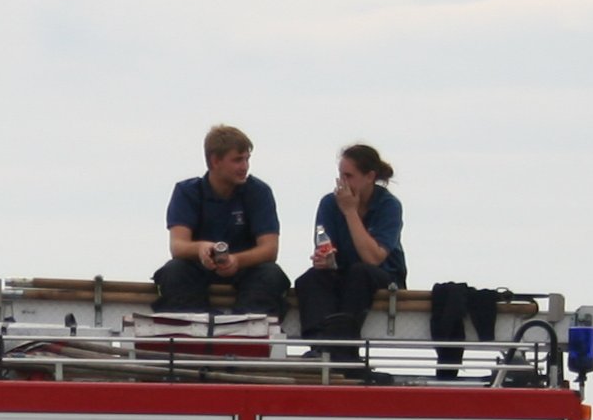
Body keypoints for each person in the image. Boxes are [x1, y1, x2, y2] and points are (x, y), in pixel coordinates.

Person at [153, 124, 290, 318]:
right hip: (198, 269)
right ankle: (196, 331)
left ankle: (246, 334)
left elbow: (270, 249)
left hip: (246, 270)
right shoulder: (187, 192)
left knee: (271, 274)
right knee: (174, 271)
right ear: (215, 161)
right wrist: (201, 249)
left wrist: (237, 260)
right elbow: (178, 246)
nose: (244, 167)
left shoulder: (258, 192)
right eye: (237, 160)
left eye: (247, 159)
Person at [294, 143, 406, 344]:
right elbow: (326, 245)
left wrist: (350, 212)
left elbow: (373, 258)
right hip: (342, 271)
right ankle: (318, 343)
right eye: (340, 175)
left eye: (349, 176)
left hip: (382, 276)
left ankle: (344, 344)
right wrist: (326, 259)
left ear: (370, 177)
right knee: (311, 279)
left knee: (360, 272)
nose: (342, 183)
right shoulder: (329, 203)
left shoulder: (389, 206)